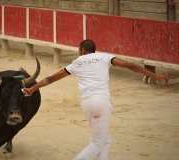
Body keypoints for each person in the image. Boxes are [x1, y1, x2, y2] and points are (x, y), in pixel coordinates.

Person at [23, 39, 170, 160]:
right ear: (93, 49)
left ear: (81, 50)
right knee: (97, 143)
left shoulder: (76, 63)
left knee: (104, 141)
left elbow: (50, 79)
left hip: (86, 104)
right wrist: (154, 75)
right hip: (101, 102)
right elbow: (130, 65)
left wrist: (32, 89)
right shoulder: (105, 57)